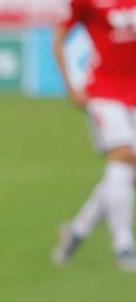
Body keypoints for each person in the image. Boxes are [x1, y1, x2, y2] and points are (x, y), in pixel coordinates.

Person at [51, 0, 136, 272]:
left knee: (124, 173)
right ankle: (123, 245)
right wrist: (70, 86)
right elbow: (60, 39)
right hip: (103, 92)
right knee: (122, 156)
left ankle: (77, 230)